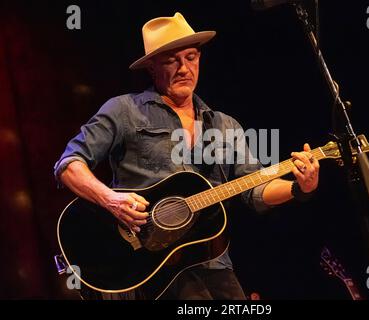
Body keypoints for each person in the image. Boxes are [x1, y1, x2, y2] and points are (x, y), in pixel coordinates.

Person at [54, 12, 320, 300]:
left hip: (211, 260)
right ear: (151, 67)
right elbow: (68, 165)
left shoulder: (224, 125)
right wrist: (112, 199)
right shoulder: (124, 110)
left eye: (191, 57)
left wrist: (299, 188)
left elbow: (253, 190)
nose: (184, 68)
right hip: (147, 264)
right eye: (171, 60)